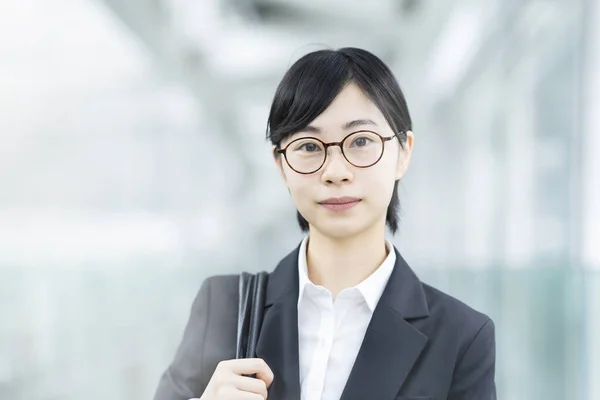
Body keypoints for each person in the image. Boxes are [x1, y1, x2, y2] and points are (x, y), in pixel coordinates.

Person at [153, 47, 496, 400]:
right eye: (309, 146)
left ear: (403, 152)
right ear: (280, 164)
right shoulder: (224, 307)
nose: (335, 172)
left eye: (361, 141)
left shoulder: (461, 337)